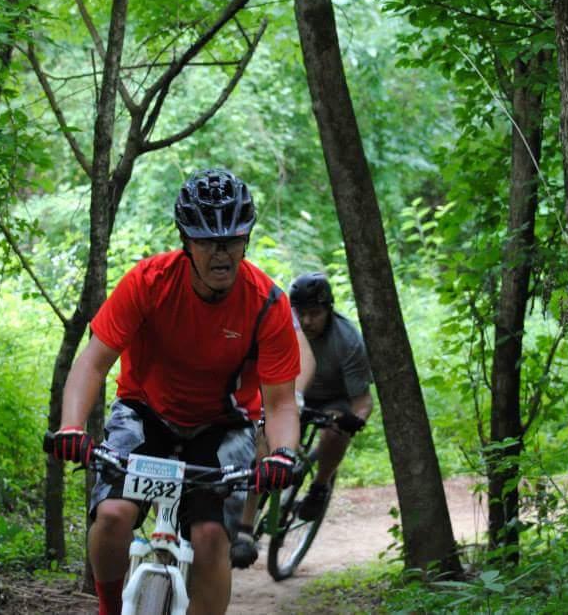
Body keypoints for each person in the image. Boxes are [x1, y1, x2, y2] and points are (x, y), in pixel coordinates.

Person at [46, 168, 301, 615]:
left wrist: (281, 455)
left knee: (208, 538)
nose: (221, 252)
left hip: (221, 427)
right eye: (207, 240)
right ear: (186, 241)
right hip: (146, 414)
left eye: (232, 239)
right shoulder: (149, 282)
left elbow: (280, 402)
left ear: (246, 240)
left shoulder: (267, 303)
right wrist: (70, 427)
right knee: (112, 516)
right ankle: (108, 607)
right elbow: (93, 361)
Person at [230, 272, 373, 568]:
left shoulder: (348, 341)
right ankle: (244, 529)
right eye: (301, 314)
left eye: (315, 313)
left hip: (331, 400)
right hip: (287, 393)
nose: (307, 322)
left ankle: (320, 486)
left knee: (335, 432)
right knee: (262, 446)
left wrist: (353, 420)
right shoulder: (282, 325)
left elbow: (362, 401)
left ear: (329, 310)